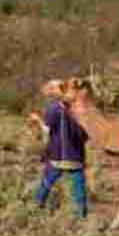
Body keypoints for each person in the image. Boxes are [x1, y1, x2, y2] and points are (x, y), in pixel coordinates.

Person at [36, 89, 91, 218]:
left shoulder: (53, 109)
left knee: (47, 183)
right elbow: (87, 135)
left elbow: (47, 130)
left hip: (57, 156)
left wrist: (38, 120)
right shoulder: (81, 112)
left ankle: (37, 207)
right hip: (77, 157)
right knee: (79, 189)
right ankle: (81, 216)